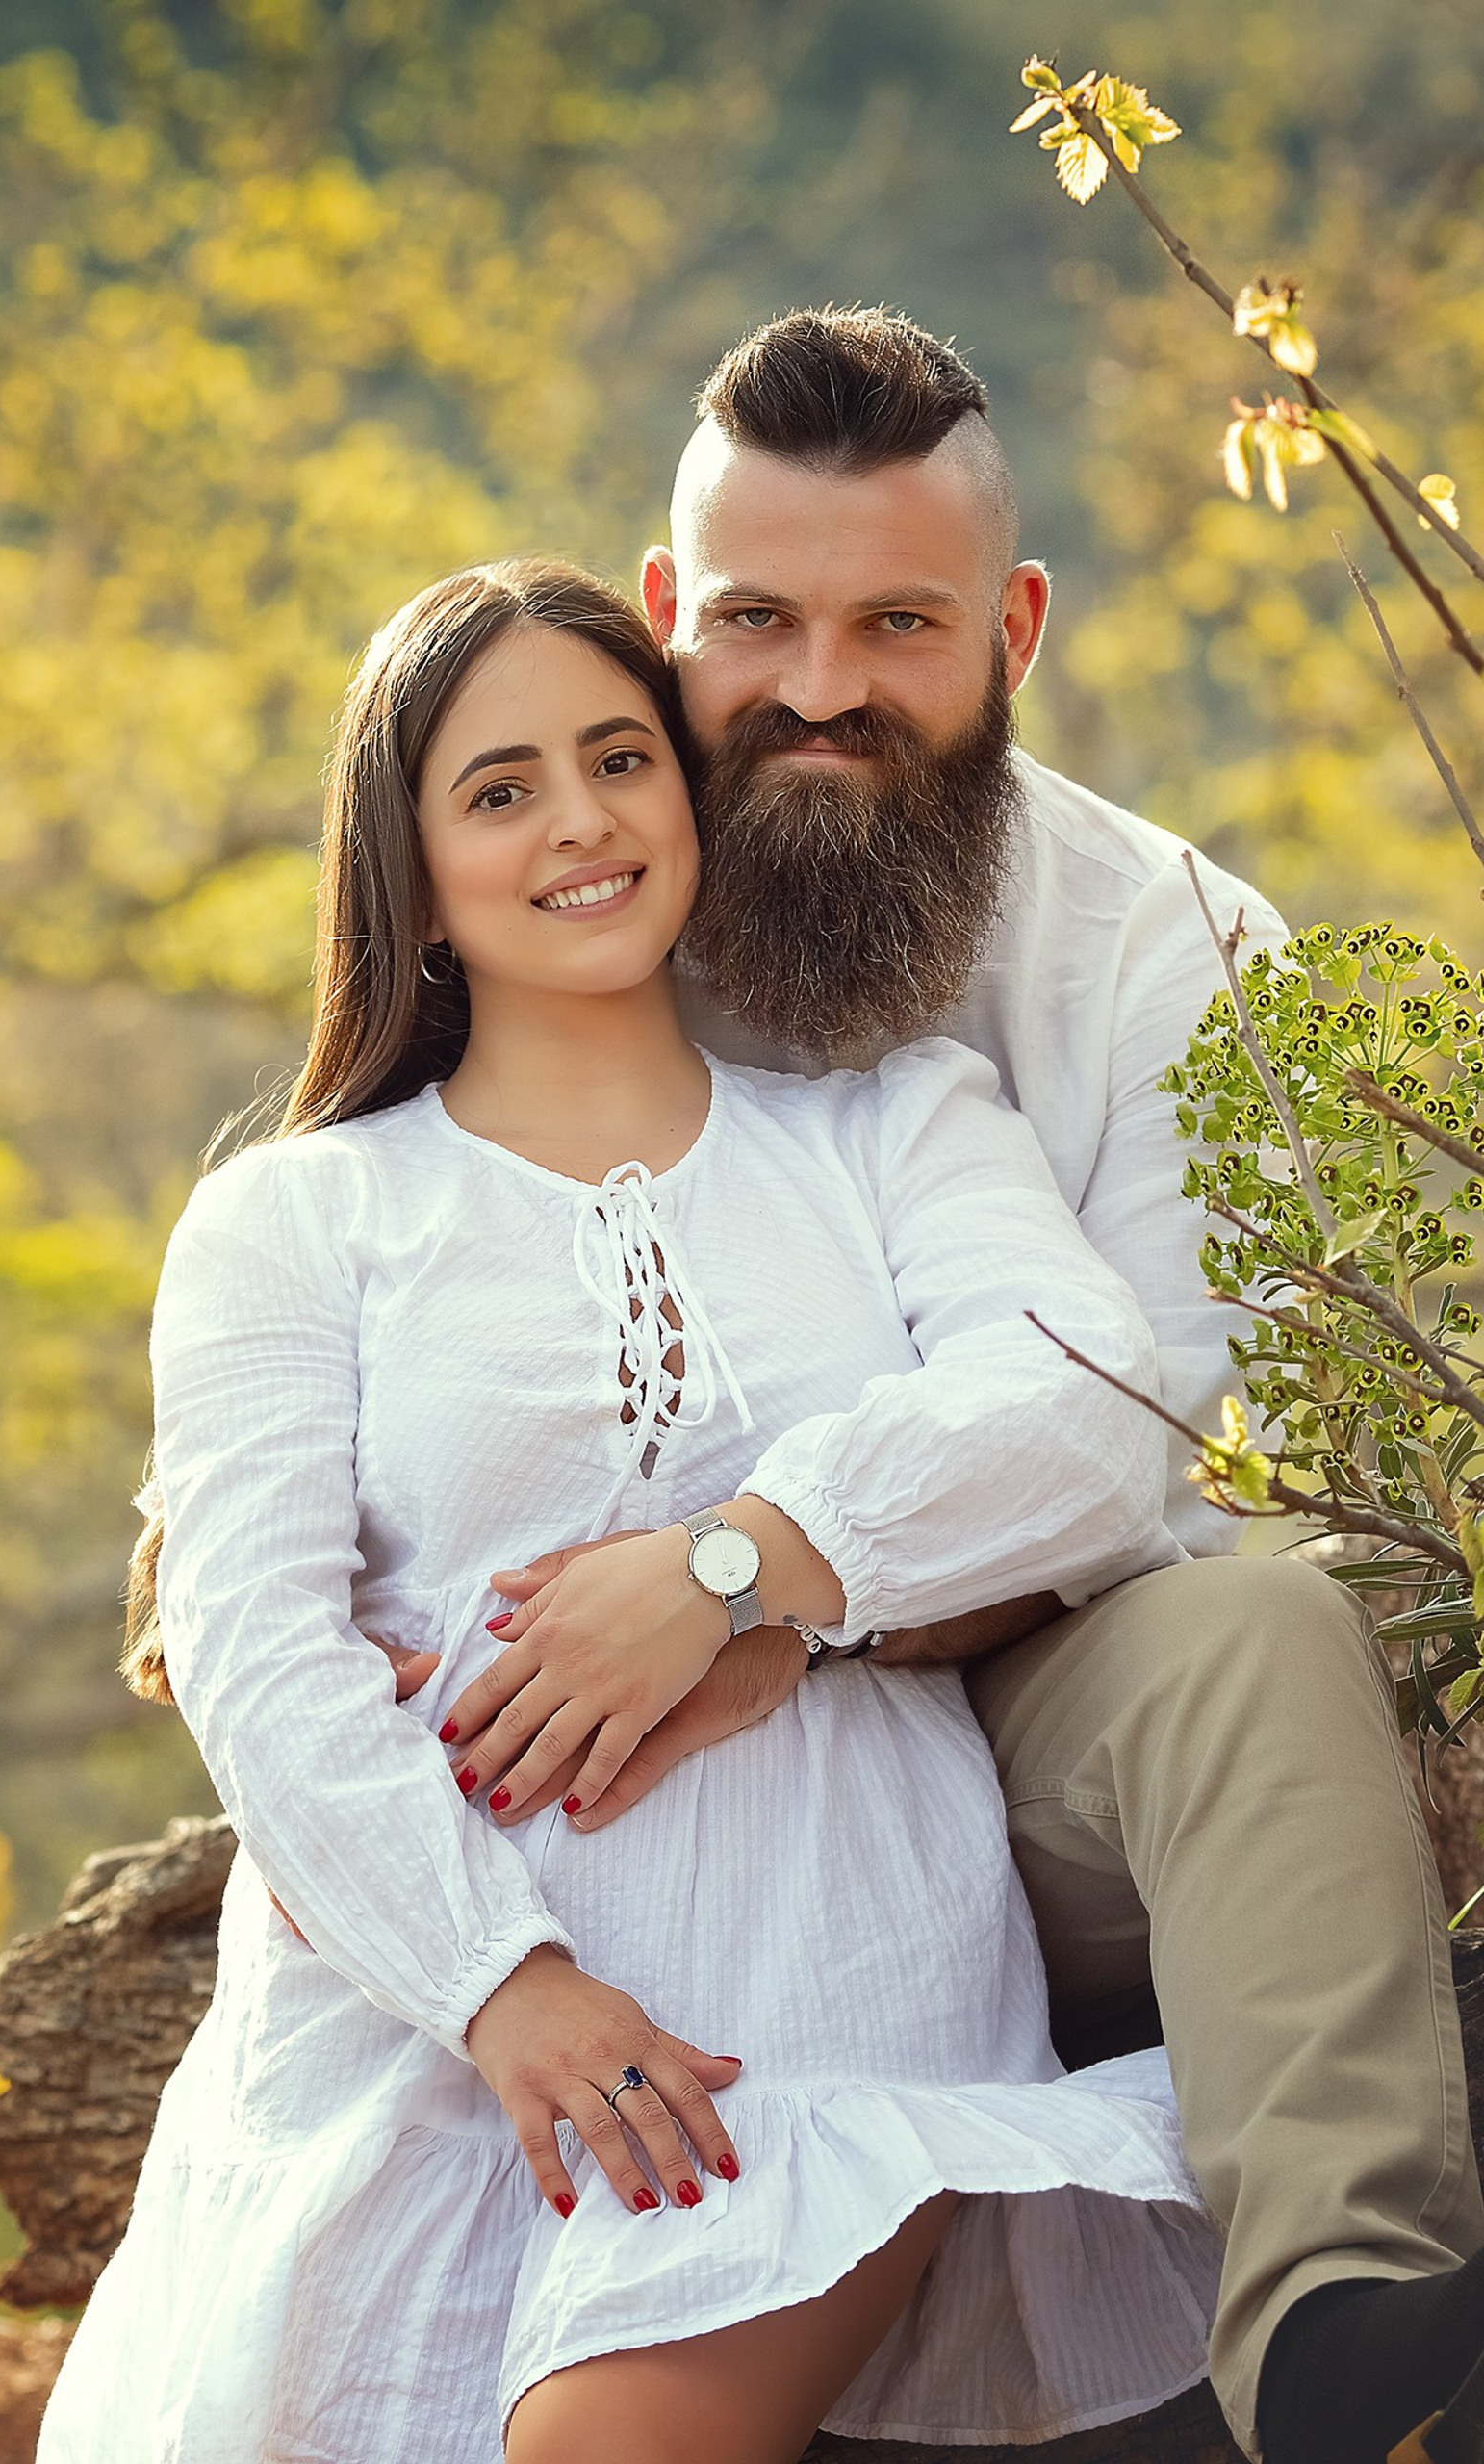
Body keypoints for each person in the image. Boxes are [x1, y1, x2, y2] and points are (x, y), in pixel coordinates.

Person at [38, 554, 1224, 2464]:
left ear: (686, 795)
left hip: (820, 1981)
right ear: (409, 871)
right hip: (415, 2016)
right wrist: (498, 1986)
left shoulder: (886, 1122)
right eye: (498, 789)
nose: (578, 821)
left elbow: (1087, 1411)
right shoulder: (294, 1216)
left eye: (616, 756)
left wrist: (734, 1567)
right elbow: (261, 1656)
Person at [436, 308, 1484, 2463]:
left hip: (1018, 1730)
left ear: (1006, 628)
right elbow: (365, 1192)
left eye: (892, 622)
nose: (814, 684)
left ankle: (1346, 2324)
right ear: (663, 612)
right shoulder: (559, 871)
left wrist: (764, 1594)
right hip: (576, 1762)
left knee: (1252, 1627)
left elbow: (1172, 1462)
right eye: (753, 617)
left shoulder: (1170, 953)